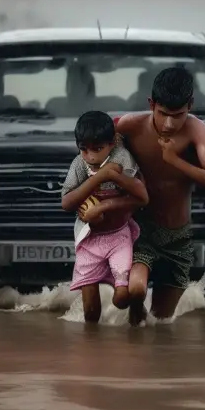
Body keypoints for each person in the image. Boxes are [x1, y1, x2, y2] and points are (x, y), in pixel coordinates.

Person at [113, 67, 205, 326]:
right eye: (163, 113)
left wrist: (174, 160)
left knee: (162, 322)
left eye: (177, 115)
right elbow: (97, 141)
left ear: (190, 106)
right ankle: (131, 329)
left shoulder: (196, 131)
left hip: (178, 237)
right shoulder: (132, 125)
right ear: (151, 104)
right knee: (136, 290)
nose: (168, 124)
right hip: (143, 230)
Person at [61, 111, 149, 323]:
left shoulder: (122, 159)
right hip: (89, 239)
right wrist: (101, 176)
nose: (90, 156)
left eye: (97, 149)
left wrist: (104, 206)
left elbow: (142, 197)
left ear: (111, 144)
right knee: (90, 311)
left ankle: (136, 318)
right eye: (83, 149)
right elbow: (66, 203)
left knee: (121, 298)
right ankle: (92, 351)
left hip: (118, 236)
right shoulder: (79, 165)